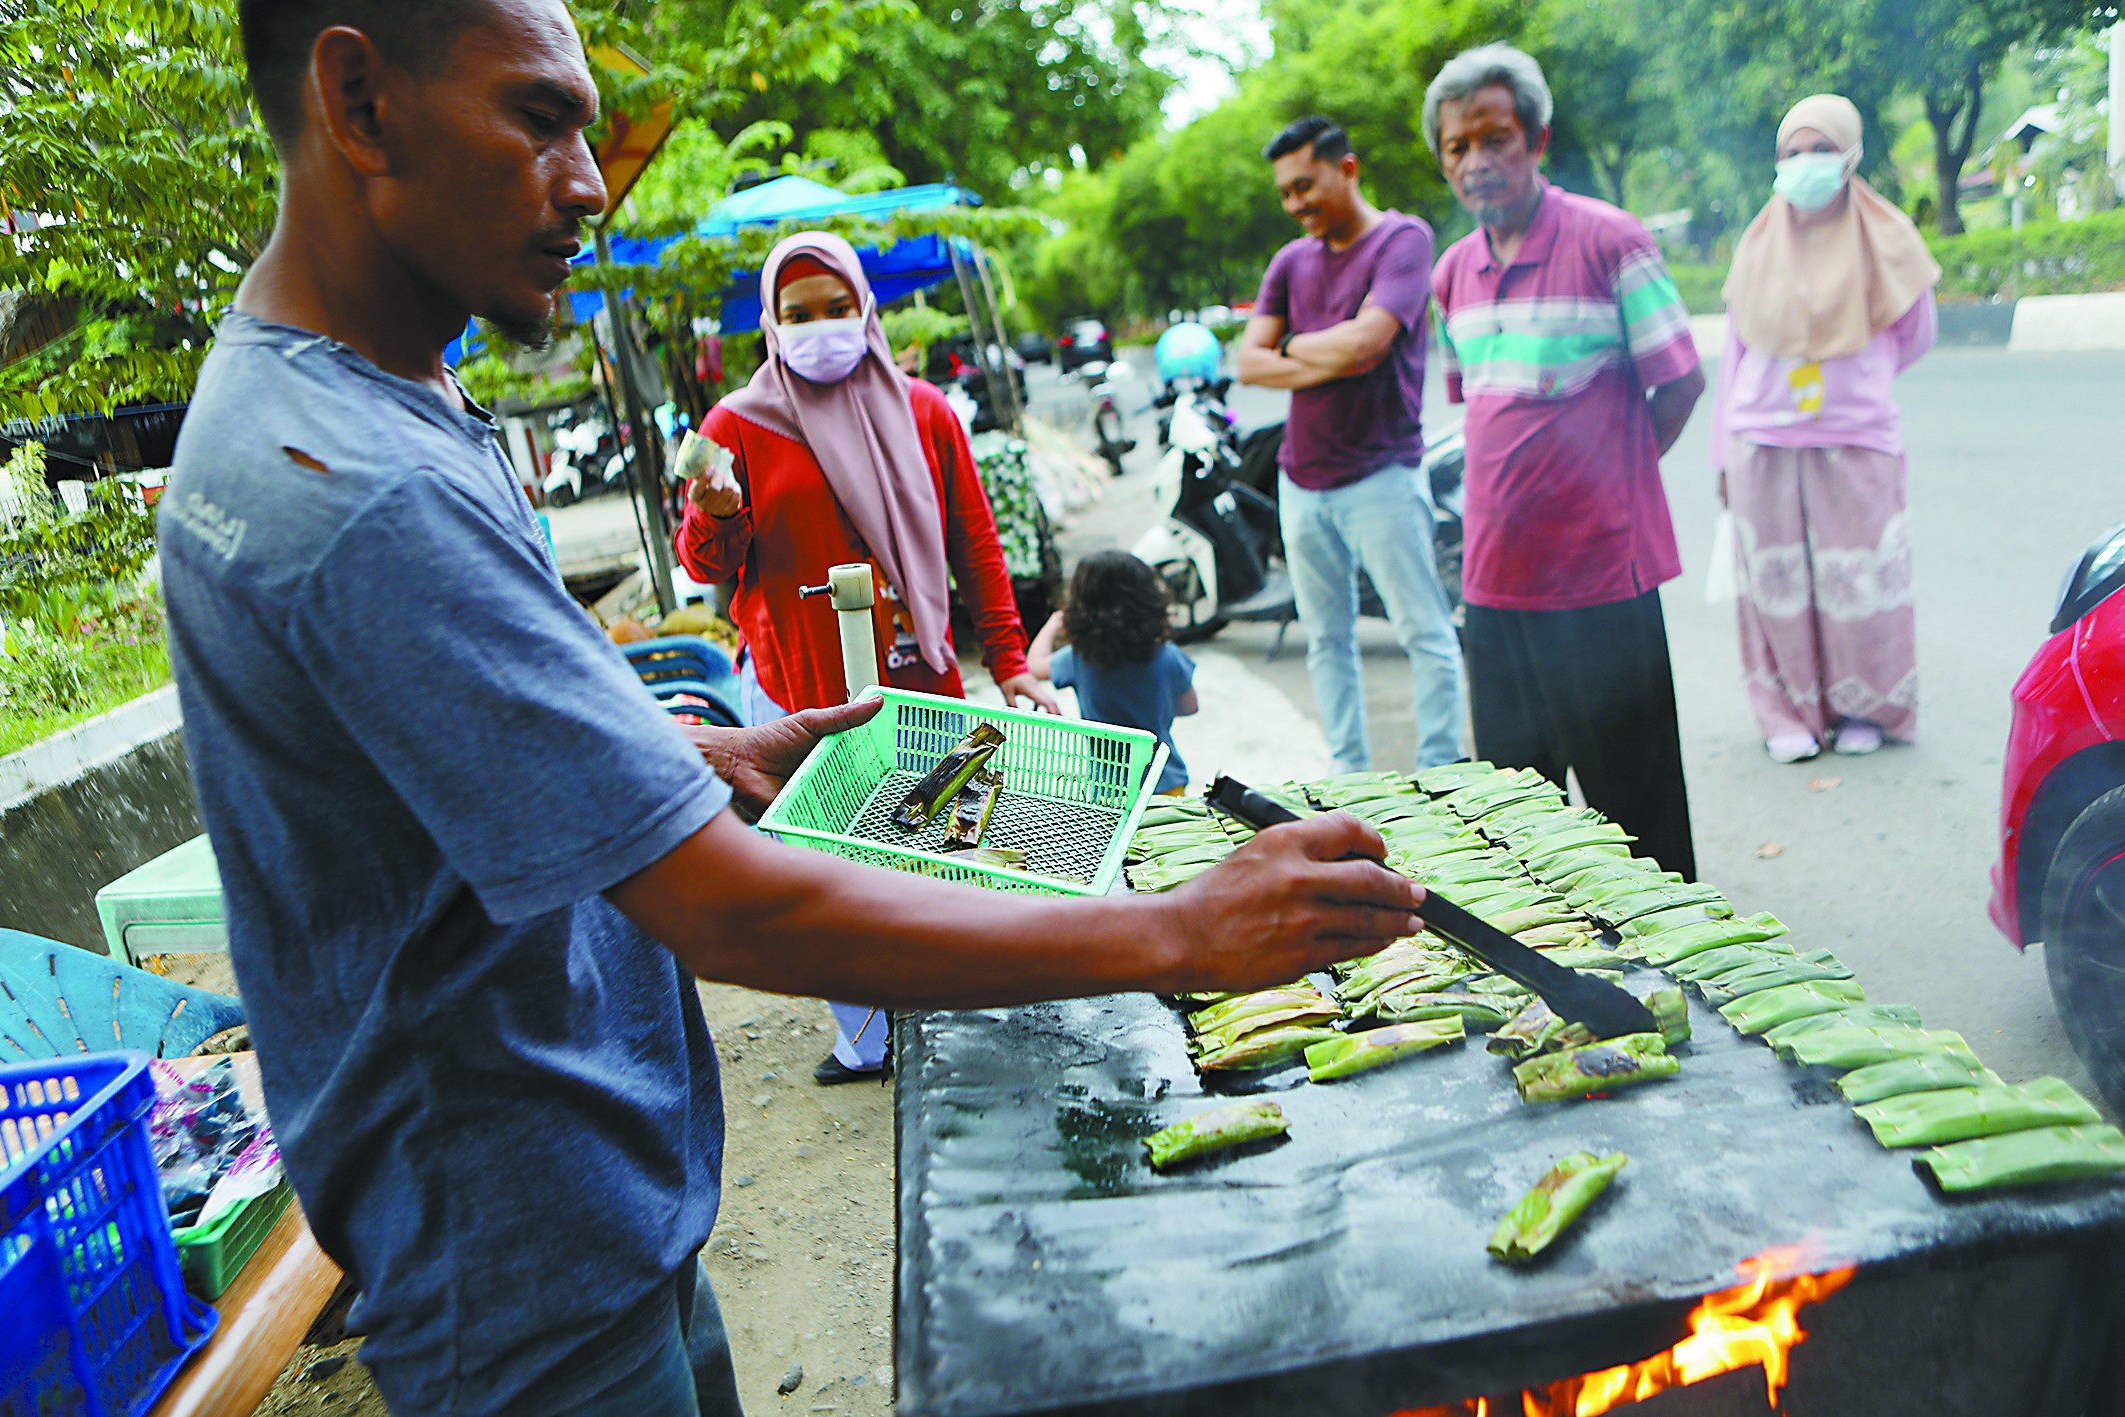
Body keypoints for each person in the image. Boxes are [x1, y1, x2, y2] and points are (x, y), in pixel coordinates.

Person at [162, 5, 1424, 1416]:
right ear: (359, 101)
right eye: (537, 119)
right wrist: (1176, 932)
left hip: (566, 1213)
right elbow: (730, 910)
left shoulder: (337, 404)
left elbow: (437, 753)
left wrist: (701, 748)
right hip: (512, 1255)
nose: (587, 180)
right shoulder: (352, 484)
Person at [673, 230, 1061, 1084]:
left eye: (836, 308)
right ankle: (865, 1034)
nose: (820, 328)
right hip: (796, 682)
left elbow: (976, 544)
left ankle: (955, 1004)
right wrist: (718, 511)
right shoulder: (734, 425)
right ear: (770, 325)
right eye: (796, 313)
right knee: (827, 865)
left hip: (920, 675)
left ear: (865, 309)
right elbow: (704, 567)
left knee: (943, 840)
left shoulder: (924, 409)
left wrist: (1011, 658)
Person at [1423, 45, 1707, 878]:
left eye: (1496, 139)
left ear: (1537, 139)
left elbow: (1681, 383)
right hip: (1494, 585)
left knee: (1638, 818)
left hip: (1600, 586)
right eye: (1457, 148)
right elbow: (1482, 411)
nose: (1477, 162)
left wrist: (1612, 482)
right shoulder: (1453, 276)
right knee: (1518, 822)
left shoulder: (1609, 241)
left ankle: (1671, 986)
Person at [1712, 93, 1939, 764]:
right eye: (1792, 153)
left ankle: (1864, 708)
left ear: (1851, 156)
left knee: (1863, 581)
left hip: (1858, 436)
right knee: (1775, 587)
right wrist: (1720, 456)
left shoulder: (1889, 237)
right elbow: (1734, 357)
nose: (1806, 165)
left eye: (1821, 150)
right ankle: (1786, 714)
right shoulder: (1756, 247)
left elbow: (1916, 333)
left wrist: (1855, 377)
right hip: (1762, 440)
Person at [1236, 116, 1465, 773]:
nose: (1296, 202)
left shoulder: (1403, 240)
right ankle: (1348, 775)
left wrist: (1293, 346)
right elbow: (1249, 365)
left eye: (1306, 185)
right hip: (1301, 481)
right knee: (1326, 640)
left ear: (1349, 169)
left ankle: (1442, 771)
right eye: (1285, 192)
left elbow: (1370, 345)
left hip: (1382, 475)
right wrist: (1328, 350)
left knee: (1424, 630)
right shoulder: (1289, 261)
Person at [1027, 551, 1199, 794]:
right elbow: (1189, 706)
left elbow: (1033, 666)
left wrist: (1053, 624)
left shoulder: (1079, 659)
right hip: (1164, 782)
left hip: (1110, 792)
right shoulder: (1167, 655)